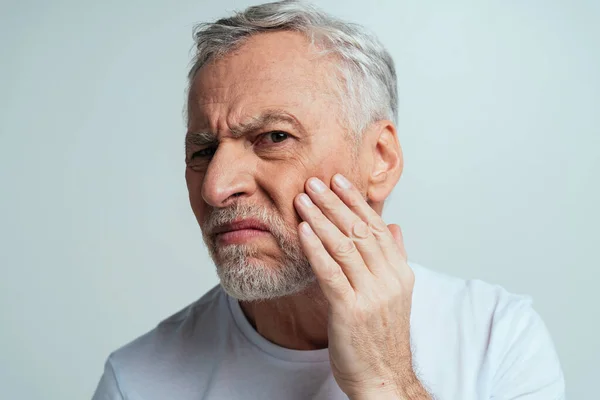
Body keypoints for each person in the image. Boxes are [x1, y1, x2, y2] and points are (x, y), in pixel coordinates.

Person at [92, 1, 565, 399]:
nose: (216, 187)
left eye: (274, 136)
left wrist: (387, 379)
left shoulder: (497, 339)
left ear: (379, 160)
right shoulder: (136, 382)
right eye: (202, 150)